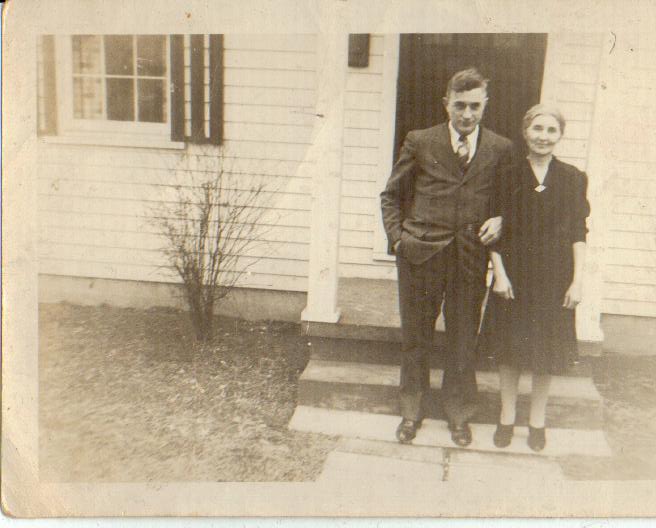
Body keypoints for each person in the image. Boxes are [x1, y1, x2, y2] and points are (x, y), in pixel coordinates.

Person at [380, 68, 513, 446]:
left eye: (474, 106)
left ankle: (458, 414)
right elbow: (391, 196)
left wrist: (502, 219)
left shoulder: (500, 148)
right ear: (446, 104)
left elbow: (508, 199)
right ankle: (411, 411)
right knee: (416, 337)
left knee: (462, 339)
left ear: (485, 105)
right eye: (460, 105)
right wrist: (399, 240)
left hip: (469, 257)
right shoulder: (420, 141)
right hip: (420, 256)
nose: (467, 114)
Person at [484, 103, 590, 452]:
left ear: (560, 135)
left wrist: (577, 281)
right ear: (525, 131)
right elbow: (493, 229)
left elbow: (578, 233)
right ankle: (506, 417)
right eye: (537, 128)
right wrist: (499, 275)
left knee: (547, 352)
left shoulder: (573, 178)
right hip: (514, 274)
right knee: (510, 351)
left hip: (555, 277)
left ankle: (537, 420)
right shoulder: (507, 174)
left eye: (551, 130)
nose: (543, 136)